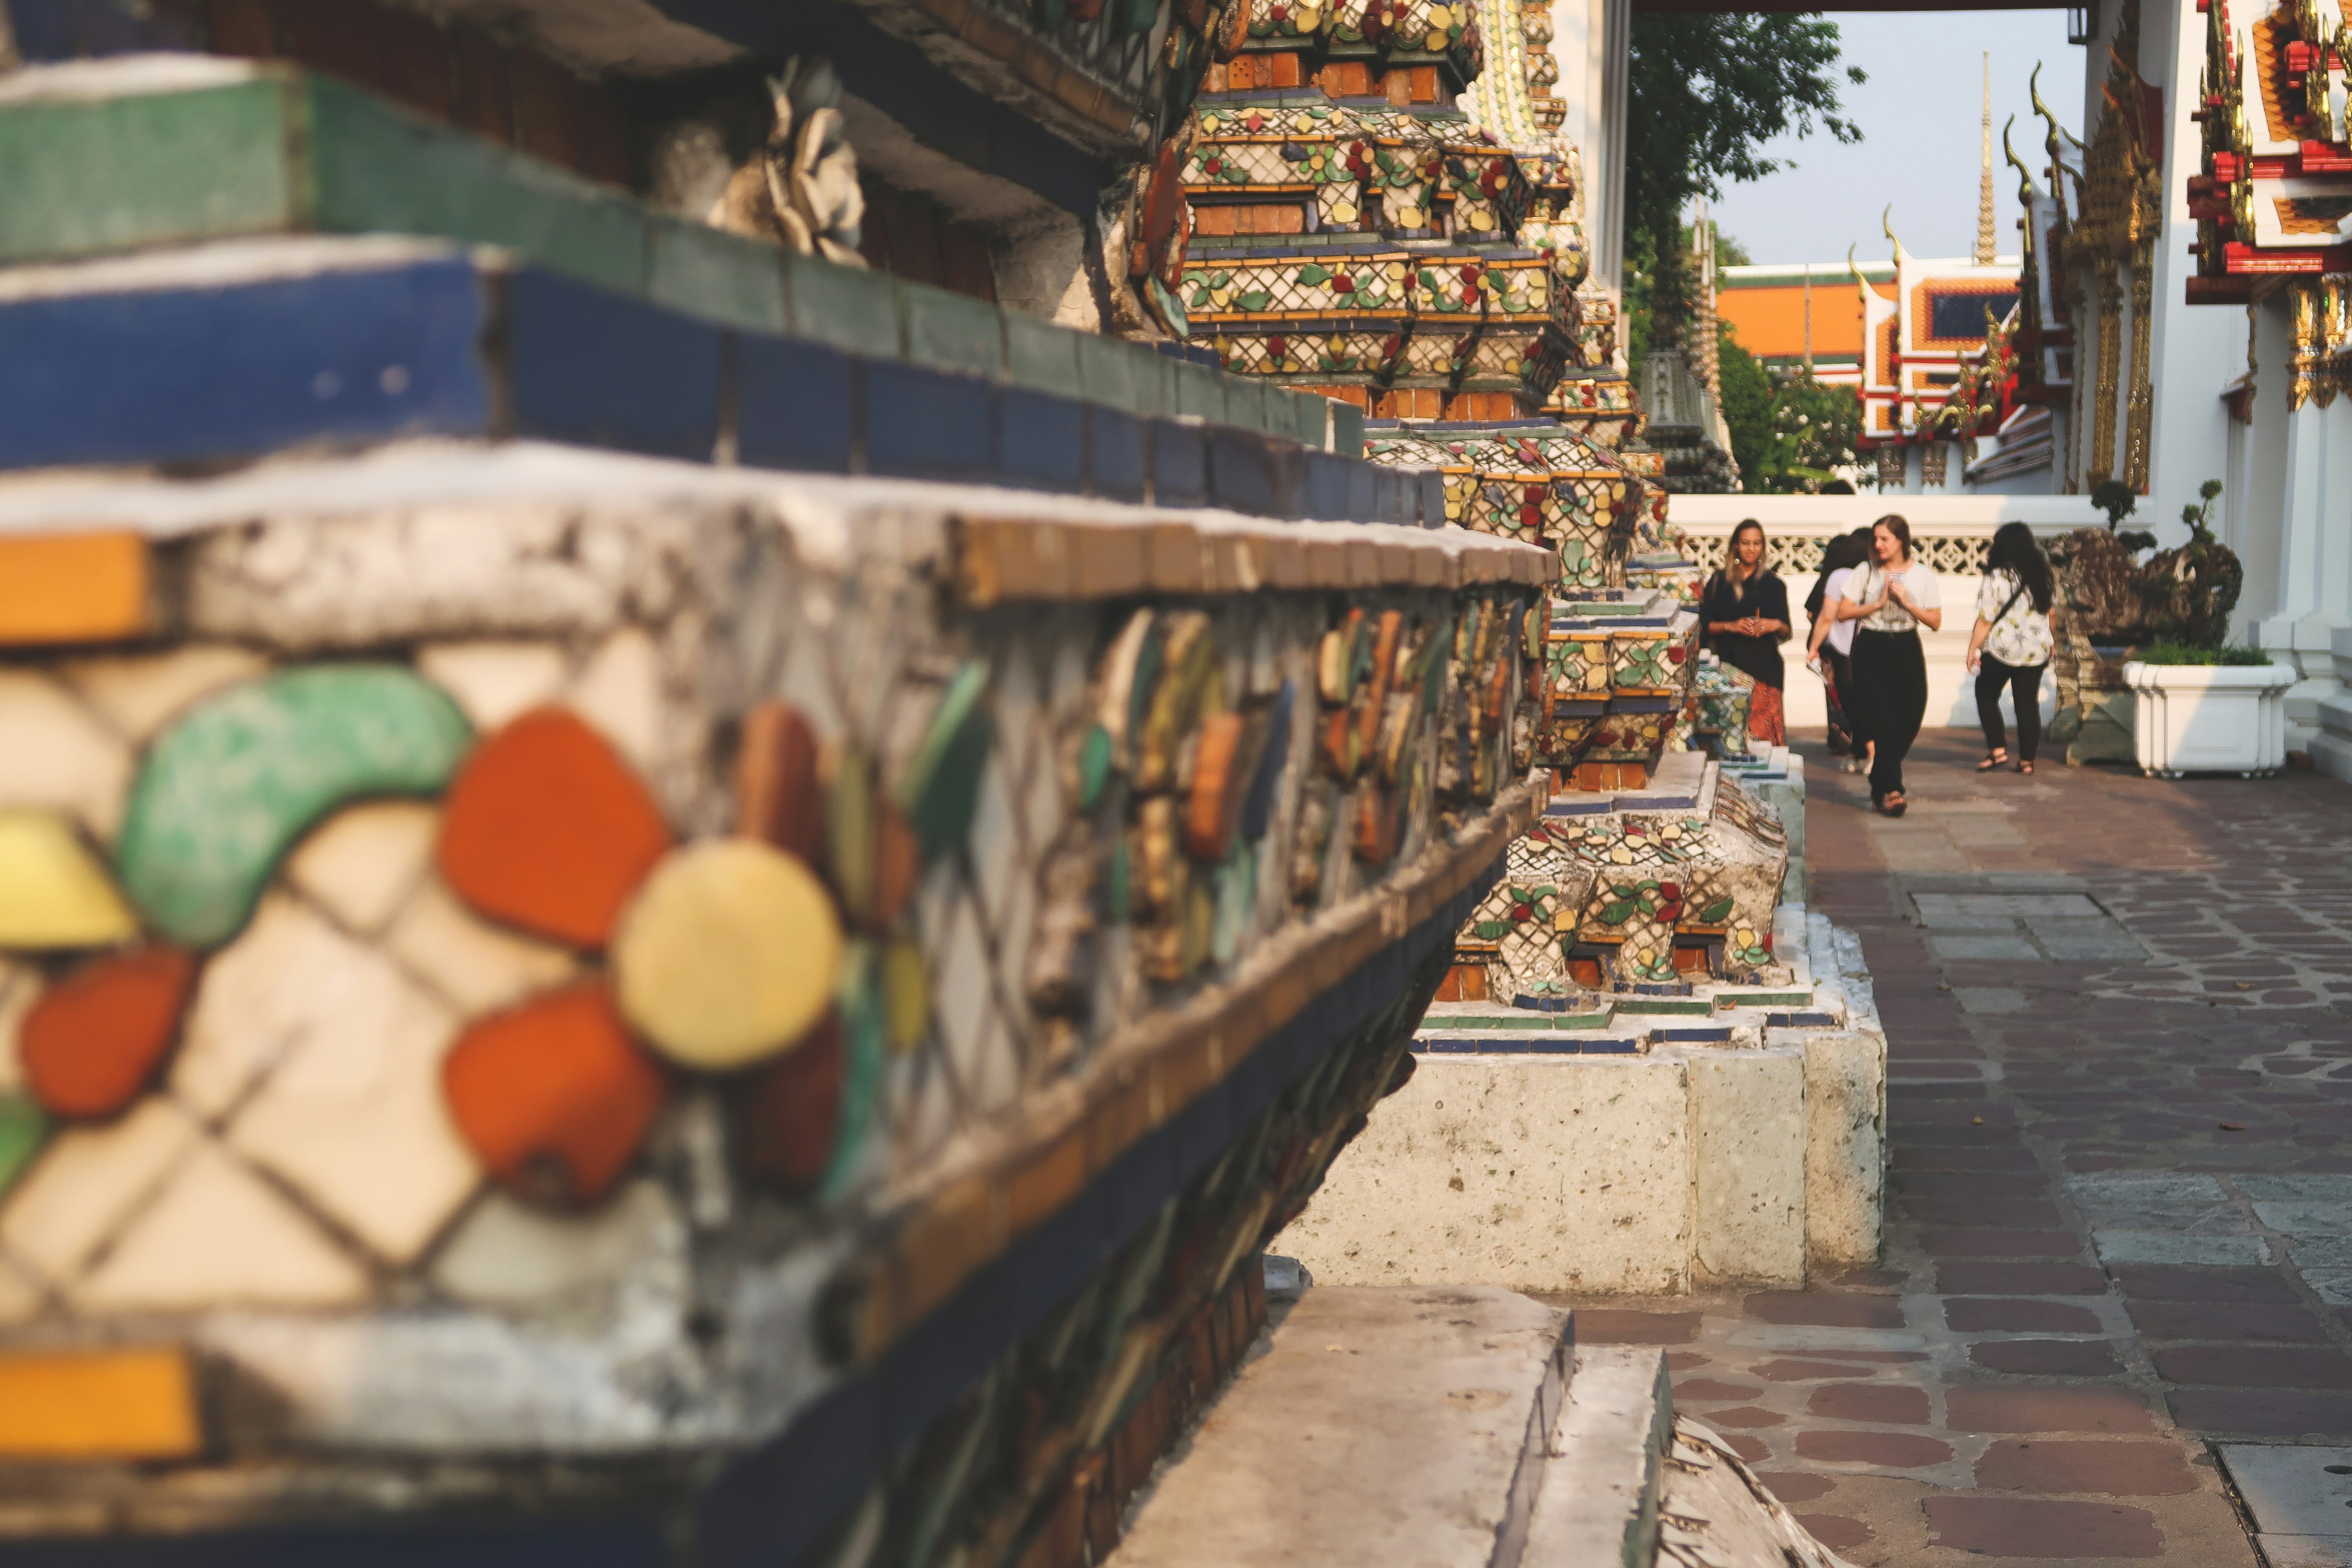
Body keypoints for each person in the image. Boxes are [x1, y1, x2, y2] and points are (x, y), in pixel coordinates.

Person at [1837, 514, 1942, 816]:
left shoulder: (1922, 575)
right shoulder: (1865, 571)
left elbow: (1935, 621)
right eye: (1876, 539)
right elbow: (1843, 612)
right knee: (1883, 718)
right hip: (1872, 646)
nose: (1878, 545)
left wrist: (1908, 603)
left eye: (1885, 539)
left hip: (1907, 645)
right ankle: (1893, 788)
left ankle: (1879, 780)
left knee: (1912, 713)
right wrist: (1878, 604)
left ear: (1901, 541)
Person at [1964, 521, 2058, 775]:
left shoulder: (1996, 578)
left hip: (2002, 649)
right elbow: (2051, 613)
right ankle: (2027, 762)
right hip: (2036, 650)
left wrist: (1973, 649)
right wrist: (2051, 641)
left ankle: (1998, 751)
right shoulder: (2044, 574)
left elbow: (1986, 619)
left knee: (1985, 694)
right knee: (2027, 704)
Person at [1700, 518, 1792, 747]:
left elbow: (1786, 631)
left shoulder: (1773, 584)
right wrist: (1731, 626)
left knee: (1763, 742)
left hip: (1765, 670)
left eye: (1757, 544)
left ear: (1763, 547)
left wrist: (1772, 624)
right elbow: (1704, 627)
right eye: (1746, 543)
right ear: (1736, 546)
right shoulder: (1720, 582)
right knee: (1730, 739)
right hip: (1728, 670)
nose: (1751, 549)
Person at [1804, 527, 1874, 772]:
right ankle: (1861, 753)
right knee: (1871, 703)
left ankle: (1871, 752)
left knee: (1852, 703)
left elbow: (1824, 617)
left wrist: (1813, 648)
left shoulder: (1840, 576)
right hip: (1877, 648)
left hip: (1845, 652)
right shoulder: (1877, 573)